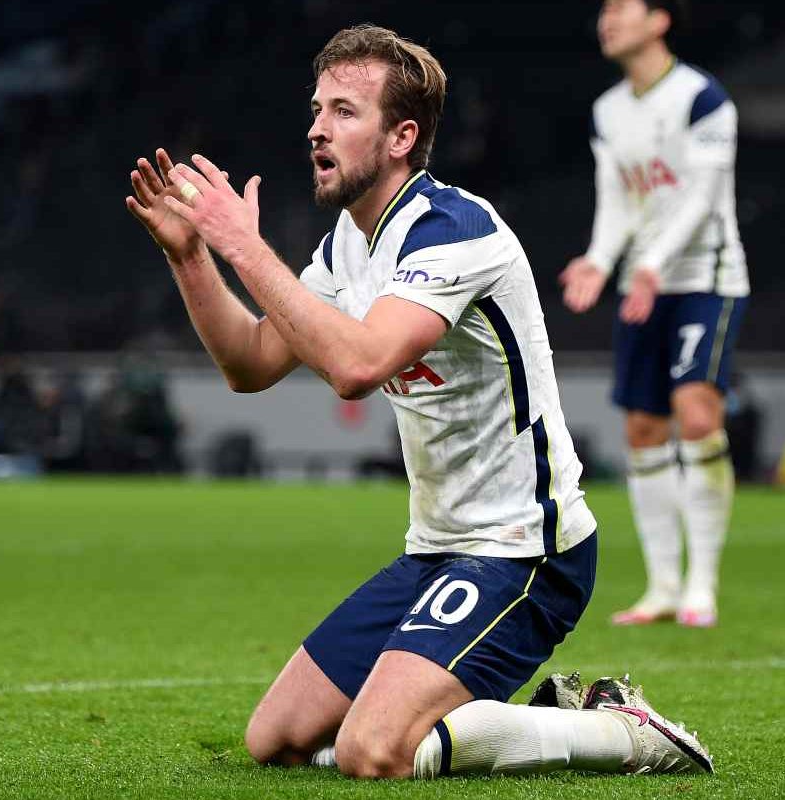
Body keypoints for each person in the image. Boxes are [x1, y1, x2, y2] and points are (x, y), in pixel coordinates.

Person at [124, 24, 711, 781]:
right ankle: (451, 716)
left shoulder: (454, 232)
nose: (315, 127)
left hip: (528, 551)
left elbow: (357, 366)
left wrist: (243, 245)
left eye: (343, 111)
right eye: (316, 108)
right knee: (276, 739)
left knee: (374, 752)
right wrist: (193, 255)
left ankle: (616, 730)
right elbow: (251, 363)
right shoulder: (347, 245)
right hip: (437, 550)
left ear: (402, 136)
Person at [559, 0, 750, 628]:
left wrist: (653, 264)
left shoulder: (704, 98)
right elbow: (616, 200)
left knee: (696, 411)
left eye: (621, 7)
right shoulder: (607, 111)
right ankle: (663, 586)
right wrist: (598, 258)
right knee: (642, 427)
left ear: (659, 20)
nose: (606, 18)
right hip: (644, 283)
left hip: (705, 278)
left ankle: (704, 584)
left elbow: (702, 198)